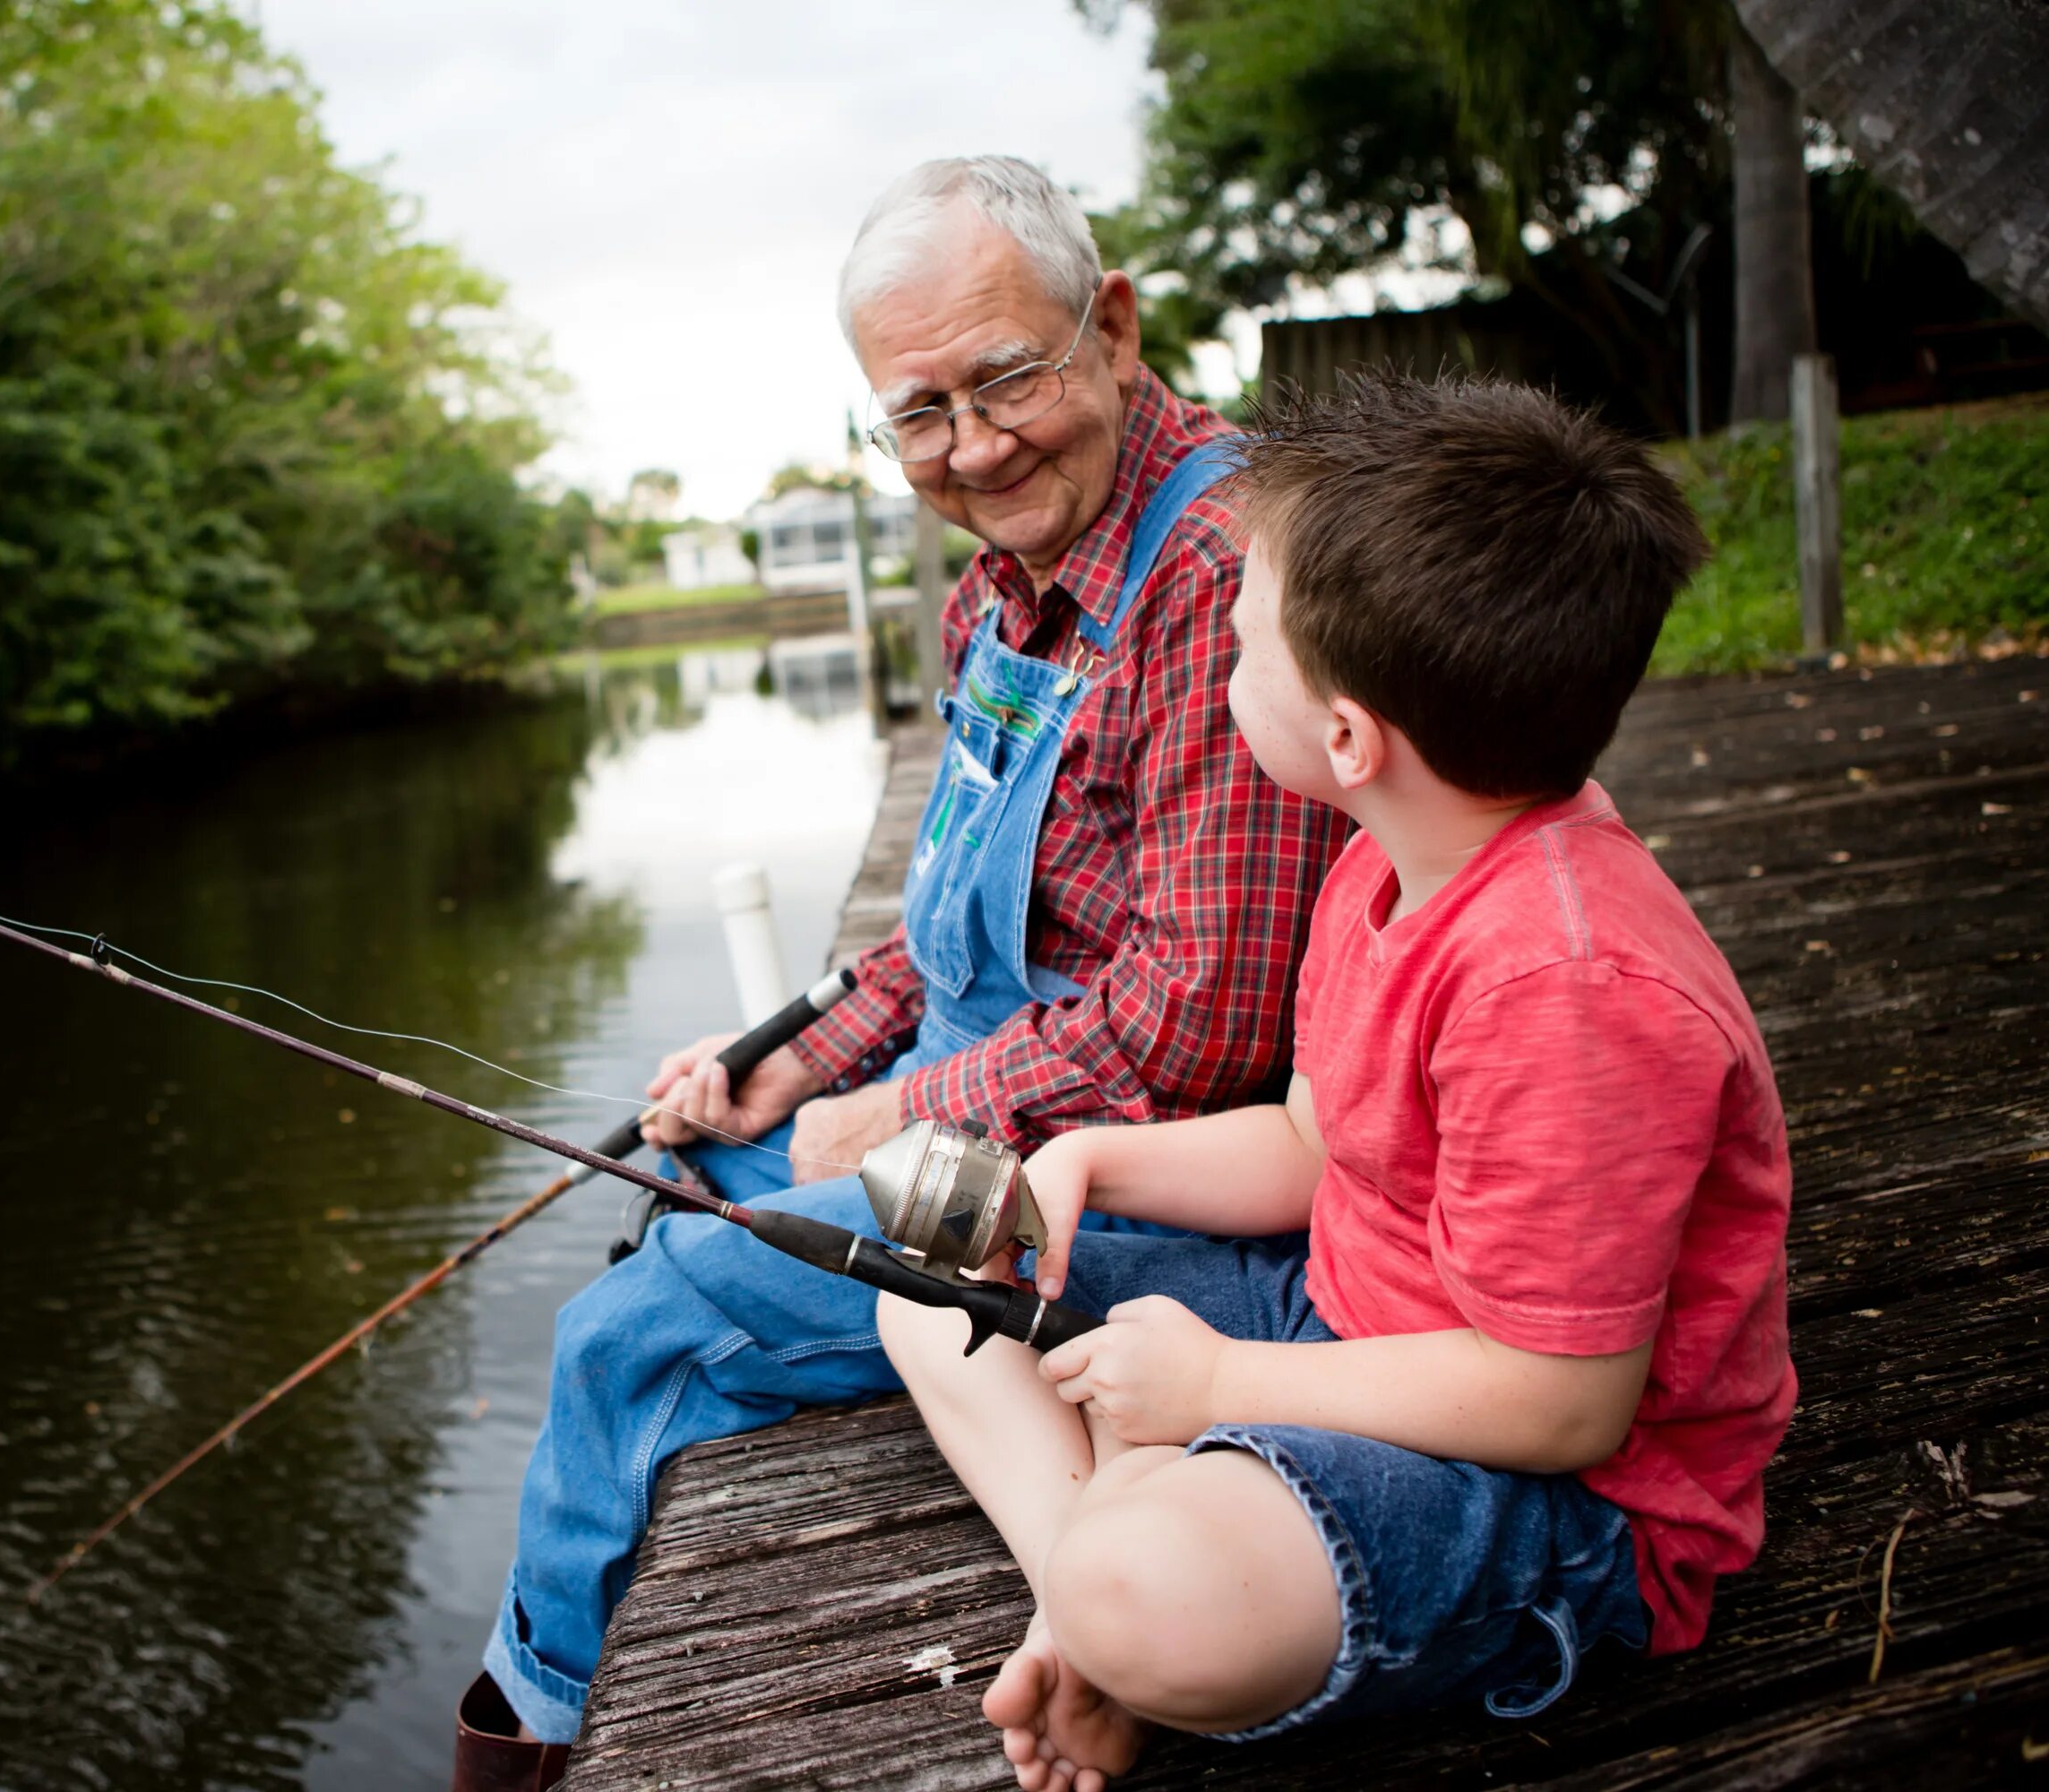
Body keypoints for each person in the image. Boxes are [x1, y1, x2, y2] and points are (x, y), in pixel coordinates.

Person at [453, 155, 1345, 1788]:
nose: (975, 445)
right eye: (918, 413)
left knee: (624, 1335)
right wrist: (794, 1056)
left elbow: (1197, 1028)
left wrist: (895, 1114)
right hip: (991, 1107)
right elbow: (938, 918)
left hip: (1134, 1169)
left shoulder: (1215, 575)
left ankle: (533, 1736)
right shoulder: (996, 591)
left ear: (1116, 325)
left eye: (1006, 377)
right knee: (680, 1155)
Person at [878, 373, 1796, 1791]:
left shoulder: (1570, 990)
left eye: (1240, 649)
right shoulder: (1387, 853)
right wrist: (1090, 1164)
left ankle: (1103, 1601)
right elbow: (1317, 1146)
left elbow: (1565, 1405)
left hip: (1559, 1492)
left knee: (1147, 1588)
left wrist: (1221, 1380)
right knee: (929, 1288)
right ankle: (1090, 1594)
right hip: (1354, 1318)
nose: (1220, 667)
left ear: (1352, 737)